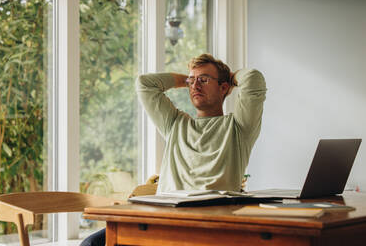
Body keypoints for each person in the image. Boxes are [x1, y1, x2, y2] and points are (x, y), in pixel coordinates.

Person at [80, 53, 266, 246]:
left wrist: (231, 76)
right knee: (91, 244)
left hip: (207, 226)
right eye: (191, 81)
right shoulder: (175, 124)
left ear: (224, 87)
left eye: (203, 80)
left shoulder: (239, 128)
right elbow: (145, 84)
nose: (195, 86)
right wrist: (185, 80)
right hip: (159, 220)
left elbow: (253, 79)